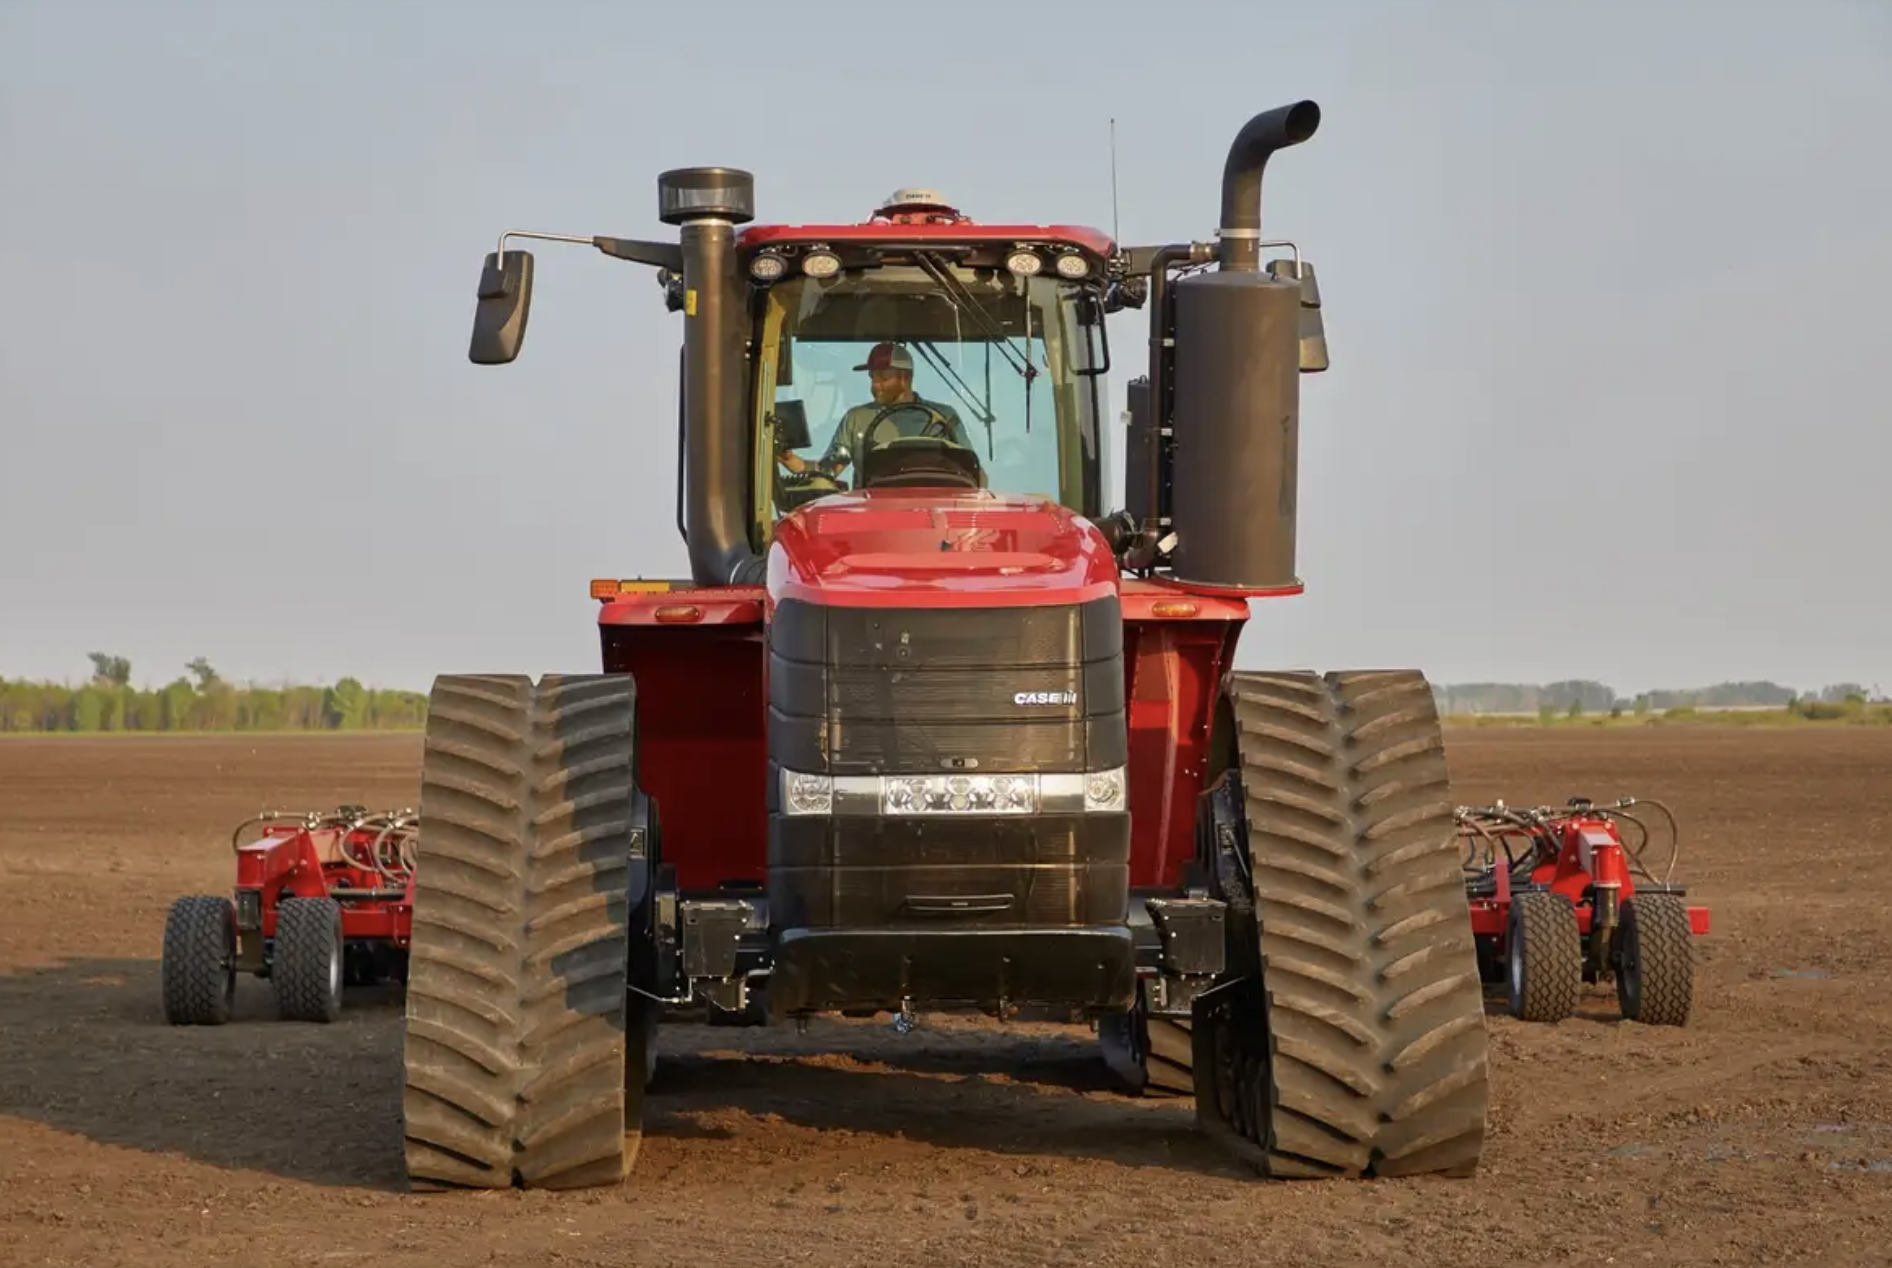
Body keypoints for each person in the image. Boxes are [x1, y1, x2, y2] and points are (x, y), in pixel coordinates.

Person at [780, 342, 972, 479]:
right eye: (872, 377)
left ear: (904, 378)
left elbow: (971, 472)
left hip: (932, 509)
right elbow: (828, 471)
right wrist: (791, 460)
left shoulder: (946, 417)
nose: (875, 385)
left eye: (883, 378)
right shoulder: (856, 419)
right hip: (872, 514)